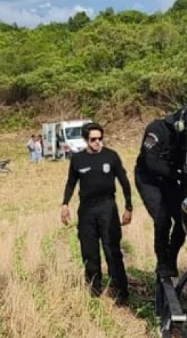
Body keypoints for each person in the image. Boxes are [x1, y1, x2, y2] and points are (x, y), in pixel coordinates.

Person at [61, 122, 133, 305]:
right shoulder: (78, 159)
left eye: (100, 139)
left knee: (112, 250)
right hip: (86, 210)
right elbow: (71, 183)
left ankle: (121, 292)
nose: (97, 142)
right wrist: (65, 204)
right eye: (93, 139)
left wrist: (128, 207)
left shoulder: (111, 156)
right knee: (89, 252)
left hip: (107, 207)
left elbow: (124, 181)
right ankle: (94, 291)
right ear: (86, 140)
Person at [134, 106, 187, 278]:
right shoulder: (156, 129)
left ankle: (171, 259)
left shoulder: (186, 135)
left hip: (168, 179)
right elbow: (151, 162)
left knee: (183, 220)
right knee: (162, 219)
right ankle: (162, 261)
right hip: (148, 179)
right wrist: (178, 173)